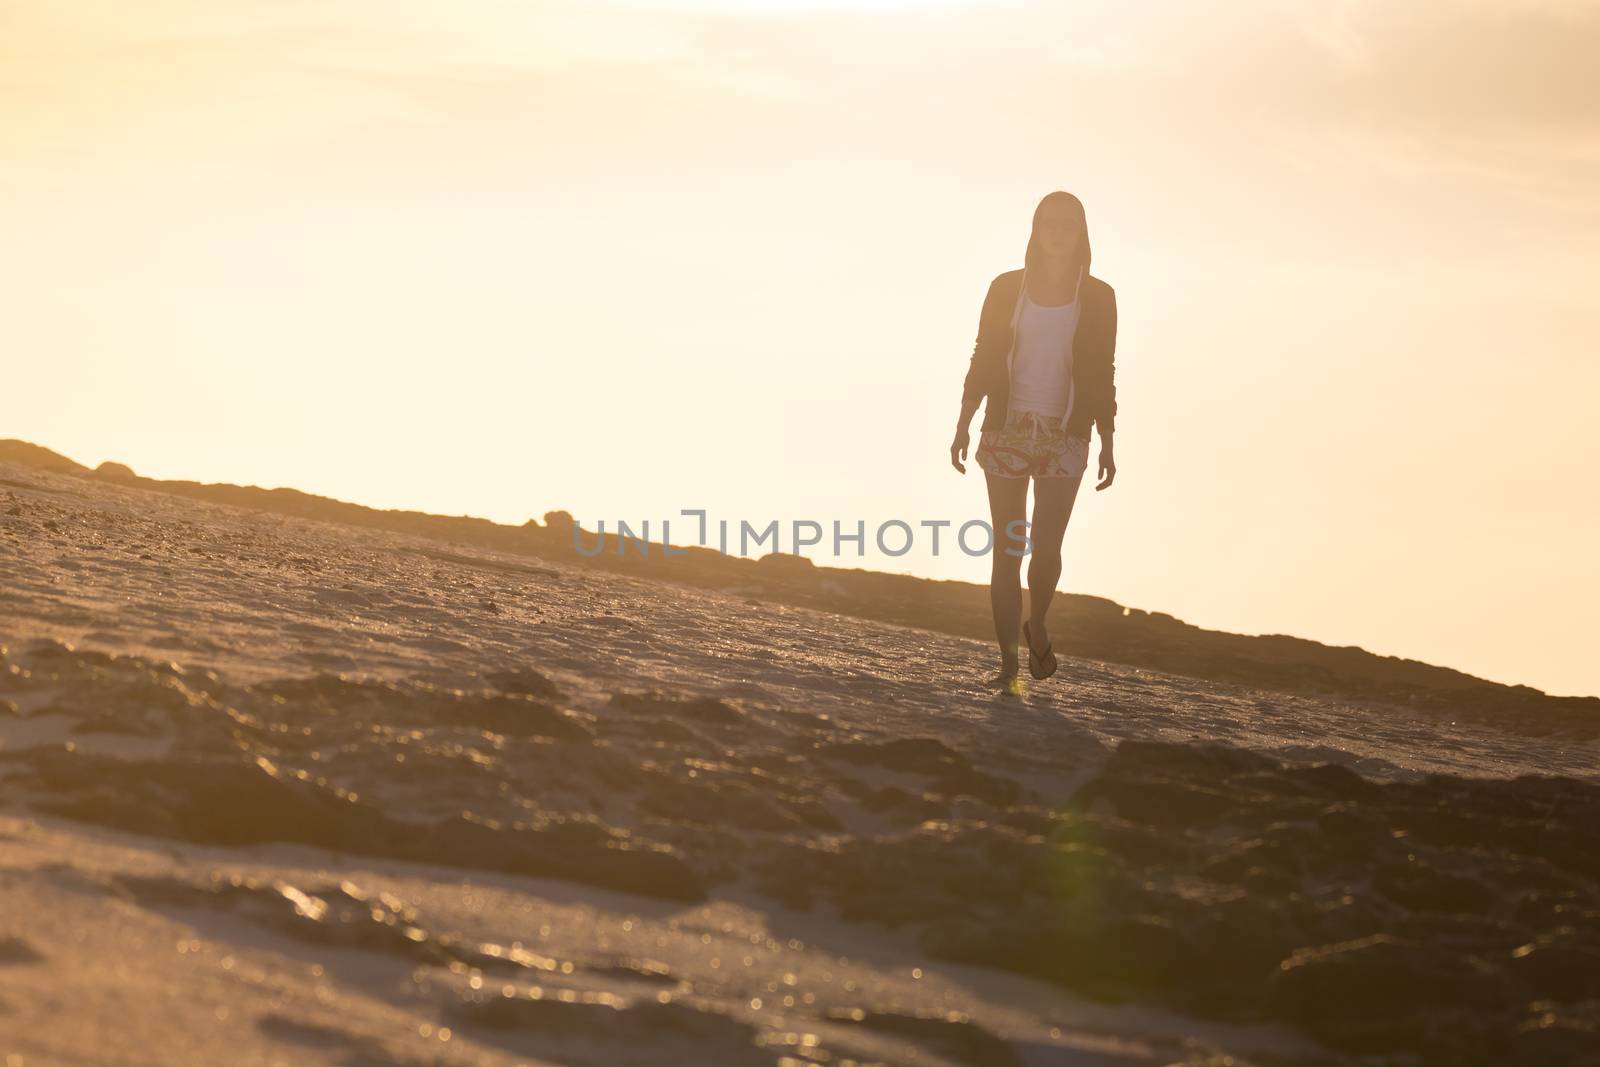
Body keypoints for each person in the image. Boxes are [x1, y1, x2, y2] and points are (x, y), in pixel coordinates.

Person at [950, 191, 1118, 691]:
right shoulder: (1006, 288)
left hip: (1065, 436)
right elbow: (984, 354)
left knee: (1046, 551)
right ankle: (1006, 665)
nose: (1059, 230)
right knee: (1009, 547)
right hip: (1007, 427)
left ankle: (1037, 621)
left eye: (1069, 223)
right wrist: (964, 420)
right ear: (1035, 227)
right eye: (1050, 221)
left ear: (1082, 231)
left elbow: (1102, 370)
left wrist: (1107, 438)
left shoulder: (1100, 296)